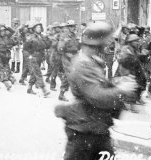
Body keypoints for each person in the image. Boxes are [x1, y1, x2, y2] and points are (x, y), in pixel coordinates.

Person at [55, 21, 137, 160]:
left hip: (93, 127)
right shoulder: (83, 63)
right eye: (107, 41)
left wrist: (114, 84)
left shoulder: (91, 60)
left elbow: (96, 87)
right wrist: (122, 90)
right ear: (99, 42)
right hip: (84, 130)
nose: (110, 44)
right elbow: (96, 97)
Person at [117, 34, 148, 112]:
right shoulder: (125, 49)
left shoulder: (133, 49)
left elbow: (136, 57)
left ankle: (133, 101)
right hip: (126, 70)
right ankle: (130, 105)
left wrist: (143, 55)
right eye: (135, 41)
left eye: (138, 41)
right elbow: (123, 59)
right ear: (130, 42)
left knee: (141, 81)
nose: (138, 43)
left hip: (134, 69)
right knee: (130, 86)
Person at [25, 21, 51, 96]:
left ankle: (29, 88)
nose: (39, 28)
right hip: (34, 56)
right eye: (37, 27)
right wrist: (30, 55)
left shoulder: (43, 36)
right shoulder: (31, 37)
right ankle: (44, 89)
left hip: (40, 56)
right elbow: (26, 47)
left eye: (40, 27)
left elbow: (48, 45)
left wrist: (47, 38)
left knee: (34, 73)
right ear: (34, 29)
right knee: (38, 73)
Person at [57, 20, 80, 101]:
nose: (73, 28)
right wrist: (66, 53)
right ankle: (61, 94)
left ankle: (77, 94)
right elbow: (60, 48)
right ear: (68, 27)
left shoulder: (75, 35)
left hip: (74, 56)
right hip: (67, 56)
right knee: (68, 74)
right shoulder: (64, 36)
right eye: (71, 26)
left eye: (74, 26)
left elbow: (78, 46)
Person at [0, 24, 17, 90]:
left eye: (4, 31)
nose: (3, 32)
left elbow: (13, 32)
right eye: (1, 31)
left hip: (5, 55)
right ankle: (6, 82)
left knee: (6, 68)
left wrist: (7, 27)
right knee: (0, 68)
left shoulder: (7, 36)